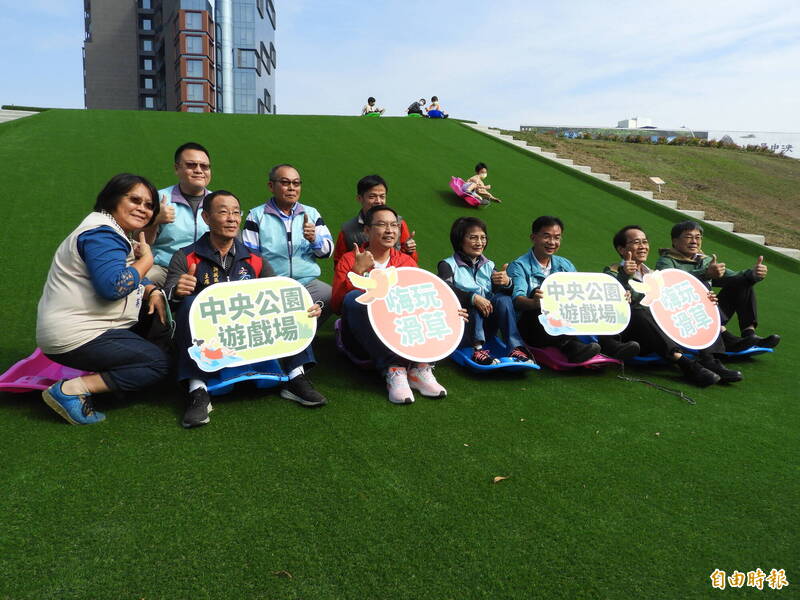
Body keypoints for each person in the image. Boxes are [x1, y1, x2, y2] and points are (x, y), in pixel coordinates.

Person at [165, 190, 326, 427]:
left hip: (248, 335)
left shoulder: (255, 258)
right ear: (206, 218)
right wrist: (178, 290)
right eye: (223, 212)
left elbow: (279, 294)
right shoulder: (185, 257)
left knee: (289, 305)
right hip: (211, 342)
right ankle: (197, 390)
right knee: (189, 303)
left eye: (235, 212)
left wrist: (306, 308)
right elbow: (169, 300)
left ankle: (295, 376)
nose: (231, 218)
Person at [36, 173, 170, 425]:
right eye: (135, 200)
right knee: (156, 363)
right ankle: (70, 390)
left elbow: (116, 272)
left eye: (149, 205)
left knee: (154, 313)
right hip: (77, 334)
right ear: (112, 200)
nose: (143, 209)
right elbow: (113, 287)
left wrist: (151, 288)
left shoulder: (106, 229)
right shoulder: (102, 235)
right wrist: (146, 261)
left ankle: (114, 375)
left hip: (76, 326)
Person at [332, 206, 451, 404]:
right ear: (367, 231)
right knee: (353, 299)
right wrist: (357, 273)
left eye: (394, 225)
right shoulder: (350, 259)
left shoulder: (405, 261)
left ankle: (420, 368)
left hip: (399, 336)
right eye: (381, 224)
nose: (389, 230)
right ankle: (394, 369)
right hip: (362, 339)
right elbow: (338, 305)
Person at [605, 225, 741, 386]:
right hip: (637, 332)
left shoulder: (655, 274)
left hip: (664, 328)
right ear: (622, 249)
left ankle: (709, 359)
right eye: (636, 242)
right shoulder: (612, 272)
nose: (642, 246)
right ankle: (685, 364)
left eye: (645, 242)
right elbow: (617, 297)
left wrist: (702, 297)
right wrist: (624, 276)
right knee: (639, 311)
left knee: (698, 299)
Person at [507, 216, 639, 363]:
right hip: (532, 325)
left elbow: (582, 293)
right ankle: (570, 346)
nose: (552, 242)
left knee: (589, 300)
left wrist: (619, 295)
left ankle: (610, 344)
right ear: (533, 237)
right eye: (547, 237)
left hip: (565, 321)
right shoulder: (519, 265)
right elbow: (517, 300)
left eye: (557, 238)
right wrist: (534, 303)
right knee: (540, 292)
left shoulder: (565, 264)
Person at [655, 221, 779, 351]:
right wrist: (705, 274)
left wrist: (753, 274)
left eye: (698, 237)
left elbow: (734, 278)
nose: (694, 241)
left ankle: (749, 334)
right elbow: (671, 283)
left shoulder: (705, 260)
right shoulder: (665, 261)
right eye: (688, 237)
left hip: (711, 314)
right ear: (675, 242)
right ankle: (726, 337)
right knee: (701, 285)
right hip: (687, 318)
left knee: (742, 281)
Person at [243, 164, 334, 323]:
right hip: (272, 285)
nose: (292, 188)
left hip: (307, 283)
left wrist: (314, 239)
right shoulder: (256, 216)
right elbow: (250, 257)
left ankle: (307, 332)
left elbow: (327, 251)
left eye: (296, 183)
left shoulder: (311, 214)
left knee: (330, 296)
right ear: (271, 186)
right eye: (285, 183)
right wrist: (268, 284)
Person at [438, 217, 534, 365]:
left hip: (486, 325)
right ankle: (476, 350)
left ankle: (516, 348)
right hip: (463, 327)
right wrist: (473, 298)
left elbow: (502, 294)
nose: (479, 242)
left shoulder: (489, 265)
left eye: (483, 238)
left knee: (503, 299)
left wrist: (507, 283)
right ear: (459, 240)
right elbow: (444, 289)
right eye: (473, 238)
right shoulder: (447, 265)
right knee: (474, 305)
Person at [144, 142, 213, 286]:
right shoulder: (158, 199)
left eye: (204, 166)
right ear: (177, 168)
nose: (199, 170)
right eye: (191, 165)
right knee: (141, 282)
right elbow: (142, 243)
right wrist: (154, 220)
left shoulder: (218, 202)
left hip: (208, 269)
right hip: (165, 269)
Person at [332, 174, 418, 264]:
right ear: (359, 198)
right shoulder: (348, 230)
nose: (378, 201)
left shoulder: (399, 223)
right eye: (372, 197)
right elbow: (339, 263)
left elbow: (411, 263)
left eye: (382, 196)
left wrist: (409, 251)